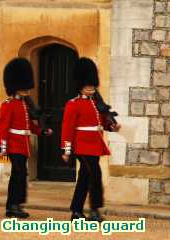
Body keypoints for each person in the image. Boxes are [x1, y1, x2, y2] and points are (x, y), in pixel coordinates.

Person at [61, 57, 121, 222]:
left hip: (94, 144)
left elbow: (101, 122)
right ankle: (94, 209)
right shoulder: (73, 104)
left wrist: (111, 127)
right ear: (81, 86)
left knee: (85, 177)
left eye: (92, 85)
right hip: (82, 145)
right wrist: (66, 150)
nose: (91, 88)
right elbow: (67, 129)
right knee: (95, 174)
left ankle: (76, 211)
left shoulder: (95, 104)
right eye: (88, 85)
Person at [0, 57, 53, 218]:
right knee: (18, 174)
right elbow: (3, 128)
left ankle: (16, 204)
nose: (27, 89)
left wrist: (42, 131)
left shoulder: (24, 104)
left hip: (23, 145)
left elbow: (29, 126)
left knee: (21, 175)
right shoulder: (8, 105)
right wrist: (2, 149)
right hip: (13, 145)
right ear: (15, 87)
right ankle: (13, 205)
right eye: (23, 86)